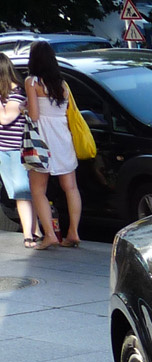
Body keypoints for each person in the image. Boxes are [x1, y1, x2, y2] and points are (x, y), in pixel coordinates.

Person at [24, 40, 80, 249]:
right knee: (71, 187)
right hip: (63, 138)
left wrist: (25, 107)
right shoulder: (62, 84)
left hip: (42, 141)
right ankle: (73, 232)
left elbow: (35, 115)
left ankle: (49, 235)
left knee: (38, 189)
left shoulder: (32, 82)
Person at [0, 57, 41, 247]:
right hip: (5, 150)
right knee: (21, 194)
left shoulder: (16, 94)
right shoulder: (5, 95)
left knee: (22, 193)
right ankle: (35, 230)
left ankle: (29, 235)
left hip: (15, 150)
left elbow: (6, 118)